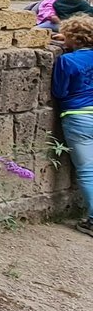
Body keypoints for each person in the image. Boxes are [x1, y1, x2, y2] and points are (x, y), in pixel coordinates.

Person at [51, 14, 93, 237]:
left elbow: (59, 92)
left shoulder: (67, 61)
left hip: (78, 116)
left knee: (87, 170)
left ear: (74, 40)